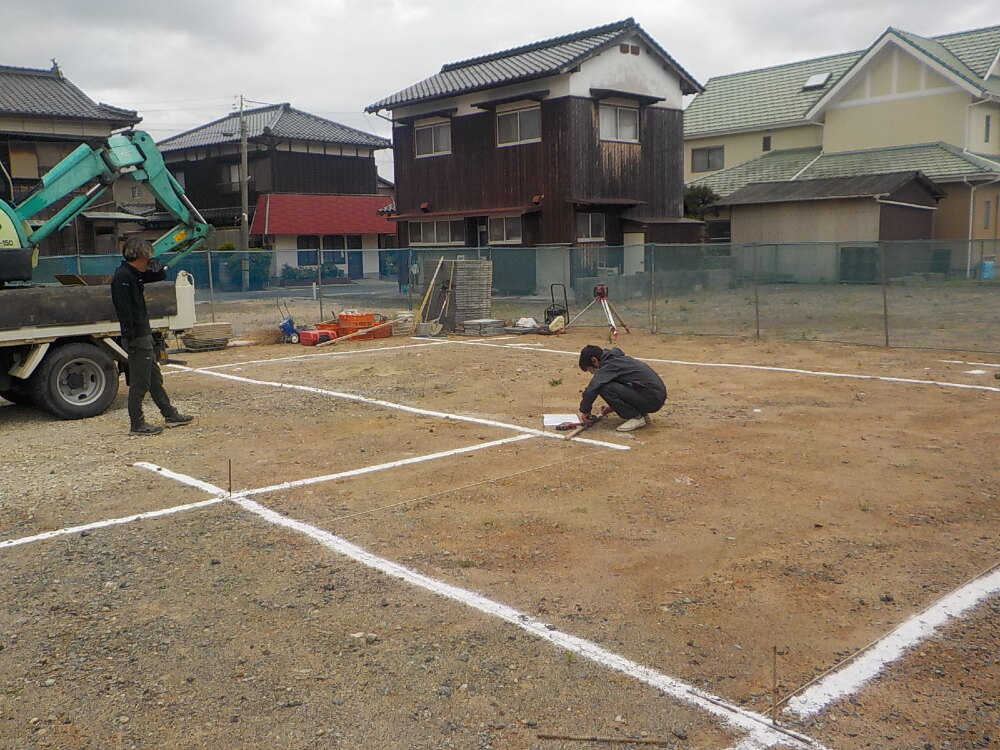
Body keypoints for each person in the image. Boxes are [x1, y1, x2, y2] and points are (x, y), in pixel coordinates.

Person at [110, 238, 194, 436]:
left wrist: (158, 270)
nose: (149, 260)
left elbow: (158, 276)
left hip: (143, 334)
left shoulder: (133, 274)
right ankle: (137, 424)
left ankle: (170, 414)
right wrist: (132, 338)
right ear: (140, 256)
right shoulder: (123, 277)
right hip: (137, 336)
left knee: (154, 379)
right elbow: (124, 310)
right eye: (148, 256)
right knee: (140, 382)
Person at [577, 345, 667, 432]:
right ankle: (643, 415)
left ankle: (636, 417)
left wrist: (585, 411)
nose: (592, 373)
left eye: (590, 369)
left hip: (651, 399)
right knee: (609, 383)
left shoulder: (608, 366)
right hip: (654, 396)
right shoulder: (616, 359)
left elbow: (592, 389)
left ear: (594, 360)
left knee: (604, 387)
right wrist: (614, 406)